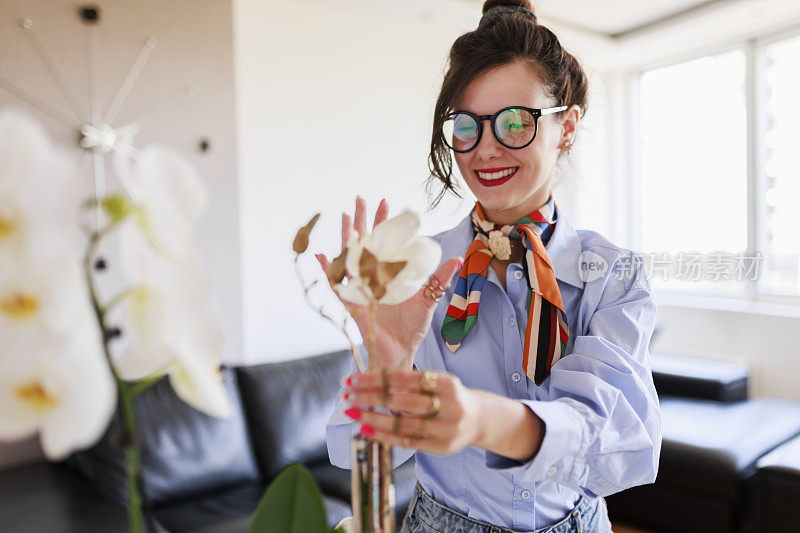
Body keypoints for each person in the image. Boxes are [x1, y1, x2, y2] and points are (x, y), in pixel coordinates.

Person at [319, 1, 662, 531]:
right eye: (466, 126)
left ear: (566, 127)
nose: (485, 149)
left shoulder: (611, 275)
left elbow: (614, 439)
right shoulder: (416, 270)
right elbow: (351, 448)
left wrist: (481, 419)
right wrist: (386, 364)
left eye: (513, 122)